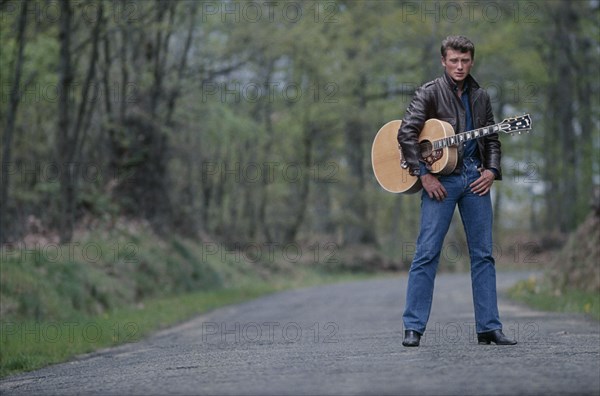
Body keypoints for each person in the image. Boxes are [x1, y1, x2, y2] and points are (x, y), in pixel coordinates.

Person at [396, 35, 516, 347]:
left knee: (483, 255)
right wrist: (424, 174)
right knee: (426, 252)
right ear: (443, 61)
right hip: (440, 181)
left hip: (475, 179)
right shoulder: (429, 92)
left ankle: (489, 327)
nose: (459, 66)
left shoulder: (481, 96)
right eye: (453, 61)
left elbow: (492, 139)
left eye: (465, 61)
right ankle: (413, 328)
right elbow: (406, 133)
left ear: (471, 61)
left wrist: (491, 170)